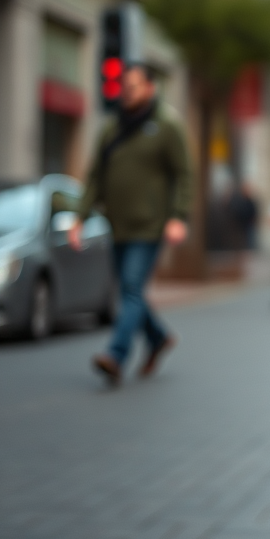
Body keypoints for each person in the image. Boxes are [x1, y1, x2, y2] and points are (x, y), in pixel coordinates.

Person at [70, 63, 191, 384]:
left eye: (135, 86)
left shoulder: (166, 126)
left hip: (150, 225)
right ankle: (158, 338)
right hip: (118, 223)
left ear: (151, 88)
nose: (128, 91)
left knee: (132, 287)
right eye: (125, 86)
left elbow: (183, 174)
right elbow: (96, 175)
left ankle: (116, 354)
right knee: (129, 288)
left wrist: (179, 215)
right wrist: (79, 218)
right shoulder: (112, 127)